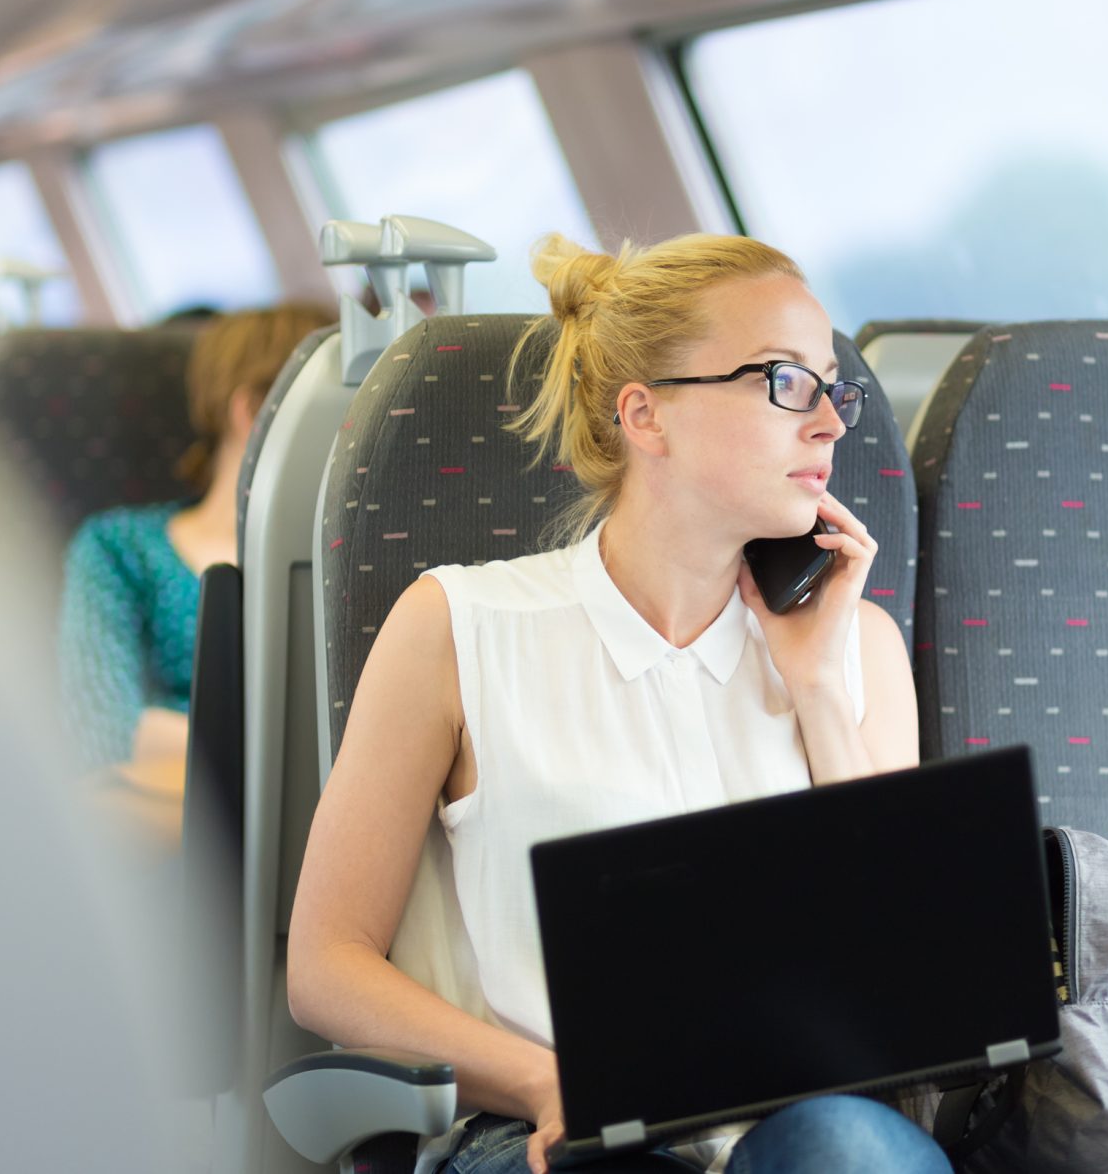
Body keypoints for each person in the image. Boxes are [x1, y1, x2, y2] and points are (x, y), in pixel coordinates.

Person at [286, 235, 946, 1174]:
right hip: (546, 1132)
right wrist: (547, 1083)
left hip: (796, 1133)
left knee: (847, 1147)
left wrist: (820, 695)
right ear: (647, 415)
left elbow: (896, 993)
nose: (832, 426)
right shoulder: (458, 625)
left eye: (831, 388)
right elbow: (326, 968)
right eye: (785, 383)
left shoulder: (857, 647)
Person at [58, 303, 334, 773]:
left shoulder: (351, 558)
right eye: (334, 410)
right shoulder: (119, 549)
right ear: (253, 412)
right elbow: (106, 729)